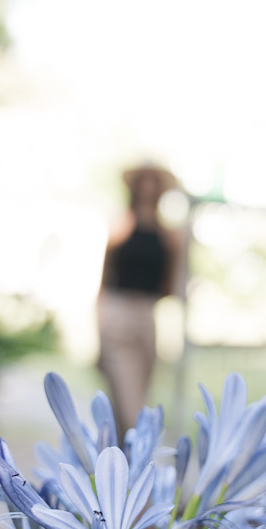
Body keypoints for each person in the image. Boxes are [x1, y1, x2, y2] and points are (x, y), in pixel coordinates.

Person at [97, 164, 184, 436]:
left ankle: (118, 464)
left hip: (147, 318)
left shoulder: (169, 236)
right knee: (130, 407)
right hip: (119, 315)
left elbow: (170, 288)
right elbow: (104, 281)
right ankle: (134, 462)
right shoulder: (121, 224)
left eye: (154, 182)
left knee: (134, 400)